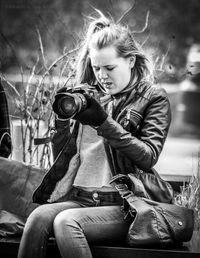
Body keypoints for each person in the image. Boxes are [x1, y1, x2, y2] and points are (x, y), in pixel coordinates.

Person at [17, 10, 171, 258]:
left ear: (131, 61)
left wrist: (103, 121)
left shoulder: (152, 97)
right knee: (36, 219)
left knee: (66, 222)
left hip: (124, 204)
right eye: (96, 67)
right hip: (81, 198)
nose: (102, 75)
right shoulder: (87, 96)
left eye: (109, 67)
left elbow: (148, 156)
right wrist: (62, 124)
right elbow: (67, 157)